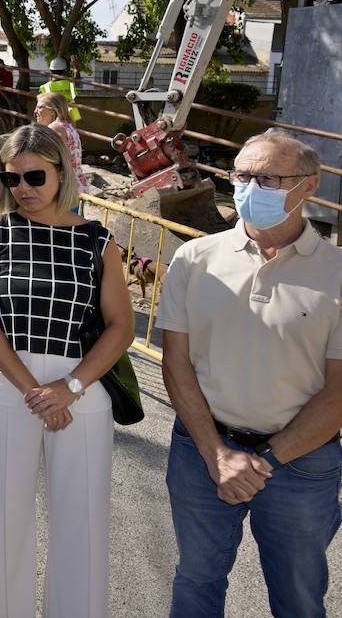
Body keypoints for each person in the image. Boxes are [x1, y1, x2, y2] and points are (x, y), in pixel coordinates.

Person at [159, 130, 342, 617]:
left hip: (301, 465)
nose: (248, 187)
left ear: (309, 186)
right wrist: (218, 455)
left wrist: (264, 459)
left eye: (268, 178)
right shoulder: (194, 260)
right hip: (201, 454)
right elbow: (175, 364)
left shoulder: (338, 273)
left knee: (299, 597)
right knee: (196, 580)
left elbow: (339, 391)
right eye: (241, 175)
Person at [0, 123, 133, 618]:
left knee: (81, 523)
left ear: (62, 173)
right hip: (5, 383)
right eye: (11, 178)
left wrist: (70, 387)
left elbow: (121, 328)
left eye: (34, 176)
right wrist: (38, 391)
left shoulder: (99, 242)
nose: (23, 189)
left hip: (83, 386)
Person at [34, 91, 89, 194]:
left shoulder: (55, 128)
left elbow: (61, 159)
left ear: (53, 111)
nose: (35, 111)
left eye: (40, 107)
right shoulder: (68, 126)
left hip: (63, 188)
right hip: (76, 184)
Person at [40, 57, 81, 122]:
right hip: (70, 116)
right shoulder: (69, 83)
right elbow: (77, 81)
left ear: (51, 70)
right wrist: (75, 67)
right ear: (64, 70)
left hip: (53, 118)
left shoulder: (44, 87)